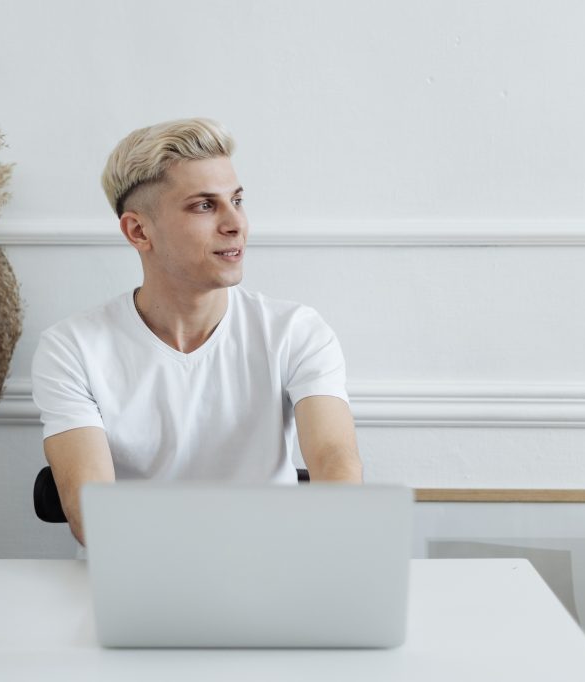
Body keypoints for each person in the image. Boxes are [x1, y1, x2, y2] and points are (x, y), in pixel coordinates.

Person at [31, 117, 362, 547]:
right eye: (204, 205)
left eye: (237, 200)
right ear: (138, 230)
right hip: (135, 582)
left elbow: (336, 462)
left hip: (273, 574)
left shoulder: (296, 331)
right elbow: (90, 512)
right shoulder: (72, 349)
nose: (235, 223)